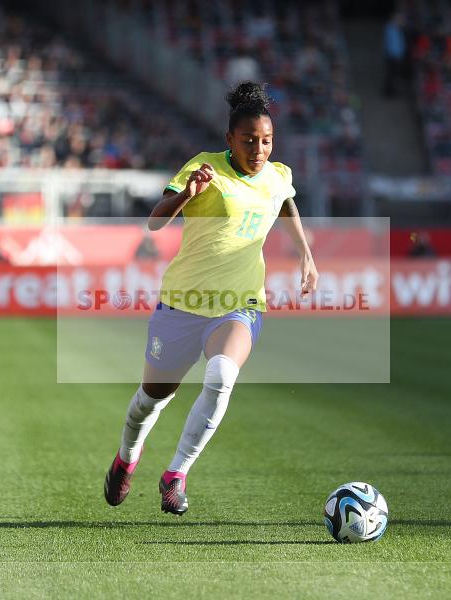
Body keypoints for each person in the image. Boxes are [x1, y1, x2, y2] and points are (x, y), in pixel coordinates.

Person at [104, 82, 319, 515]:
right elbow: (155, 222)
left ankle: (176, 475)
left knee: (221, 376)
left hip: (240, 303)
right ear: (229, 140)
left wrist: (305, 254)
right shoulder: (205, 168)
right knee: (151, 399)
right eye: (249, 140)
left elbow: (285, 202)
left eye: (266, 140)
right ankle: (126, 459)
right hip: (182, 304)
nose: (259, 149)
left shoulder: (278, 175)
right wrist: (188, 195)